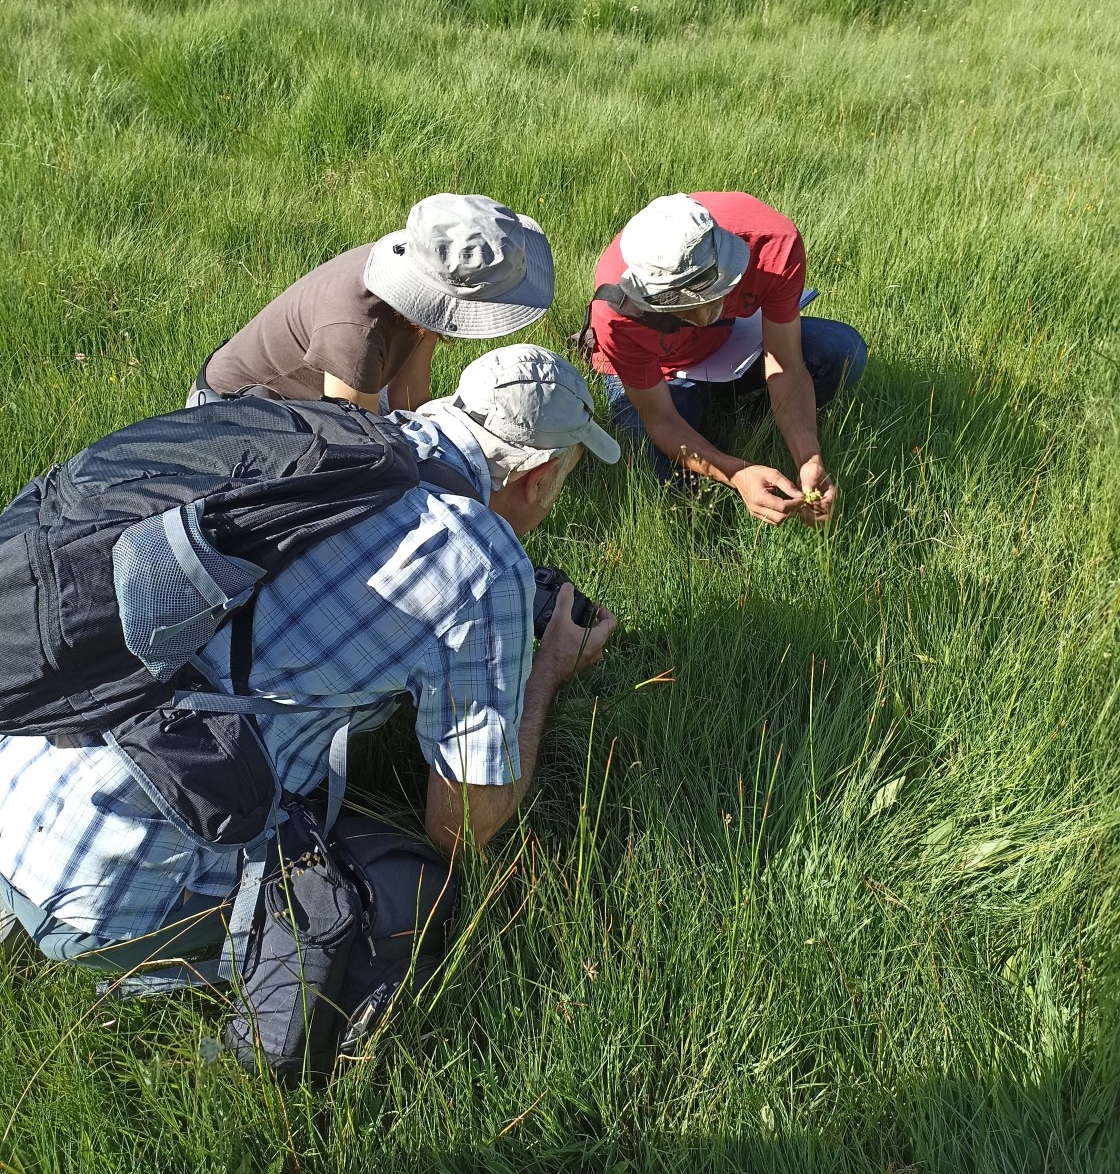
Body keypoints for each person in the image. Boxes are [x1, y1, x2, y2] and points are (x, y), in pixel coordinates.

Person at [0, 346, 619, 969]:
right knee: (407, 894)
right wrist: (548, 672)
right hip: (108, 903)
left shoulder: (331, 434)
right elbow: (462, 828)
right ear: (539, 476)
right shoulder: (480, 567)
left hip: (26, 757)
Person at [585, 192, 867, 526]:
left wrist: (809, 457)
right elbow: (660, 419)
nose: (705, 315)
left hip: (733, 346)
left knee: (841, 351)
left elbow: (786, 365)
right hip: (660, 374)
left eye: (716, 291)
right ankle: (719, 415)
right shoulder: (614, 310)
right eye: (679, 306)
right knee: (655, 470)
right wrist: (737, 473)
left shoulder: (773, 244)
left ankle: (738, 410)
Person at [187, 193, 555, 411]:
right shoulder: (357, 332)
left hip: (329, 391)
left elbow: (409, 395)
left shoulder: (423, 272)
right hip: (238, 412)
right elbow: (354, 449)